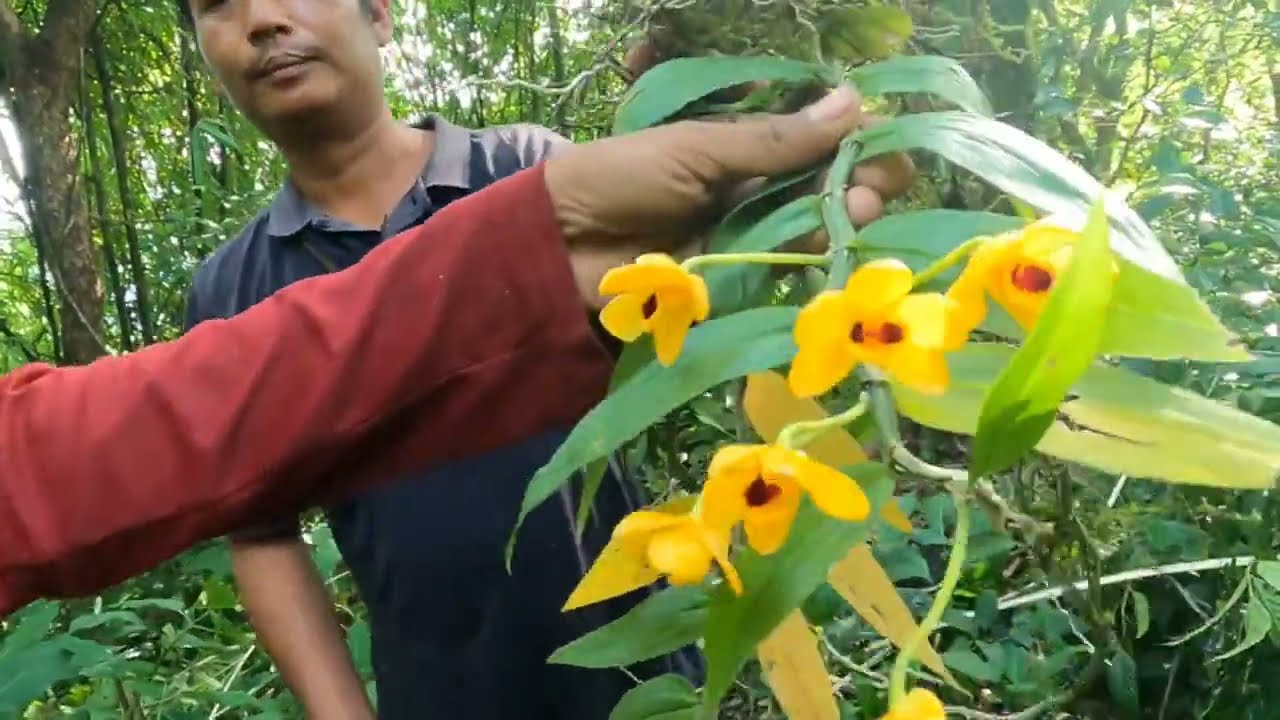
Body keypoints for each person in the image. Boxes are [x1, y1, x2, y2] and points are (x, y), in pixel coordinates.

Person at [170, 1, 913, 718]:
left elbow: (706, 264)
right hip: (438, 697)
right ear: (204, 51)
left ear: (382, 14)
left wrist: (799, 158)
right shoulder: (234, 292)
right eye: (218, 4)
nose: (263, 19)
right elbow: (262, 535)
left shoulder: (531, 174)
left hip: (640, 678)